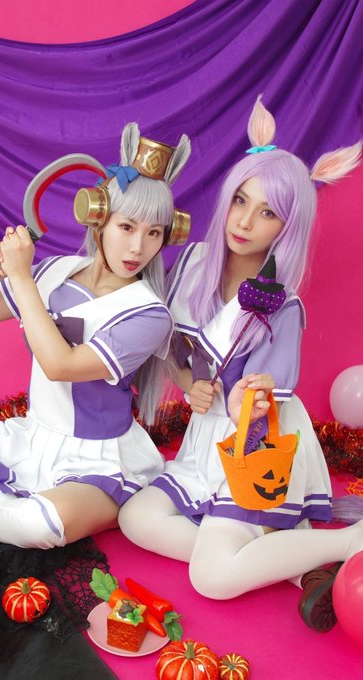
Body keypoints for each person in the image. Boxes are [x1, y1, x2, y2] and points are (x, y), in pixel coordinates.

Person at [118, 97, 362, 632]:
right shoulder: (194, 264)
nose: (245, 221)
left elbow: (268, 397)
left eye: (268, 213)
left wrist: (241, 398)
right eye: (240, 201)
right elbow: (176, 348)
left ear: (288, 227)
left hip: (257, 441)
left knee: (212, 578)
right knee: (136, 518)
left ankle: (348, 542)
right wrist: (191, 383)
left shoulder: (282, 304)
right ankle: (289, 563)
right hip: (205, 440)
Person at [0, 122, 191, 550]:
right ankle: (2, 512)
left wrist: (22, 278)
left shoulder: (149, 314)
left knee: (35, 528)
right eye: (127, 227)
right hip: (33, 436)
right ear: (98, 220)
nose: (138, 247)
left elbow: (61, 366)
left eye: (154, 233)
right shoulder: (56, 272)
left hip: (97, 459)